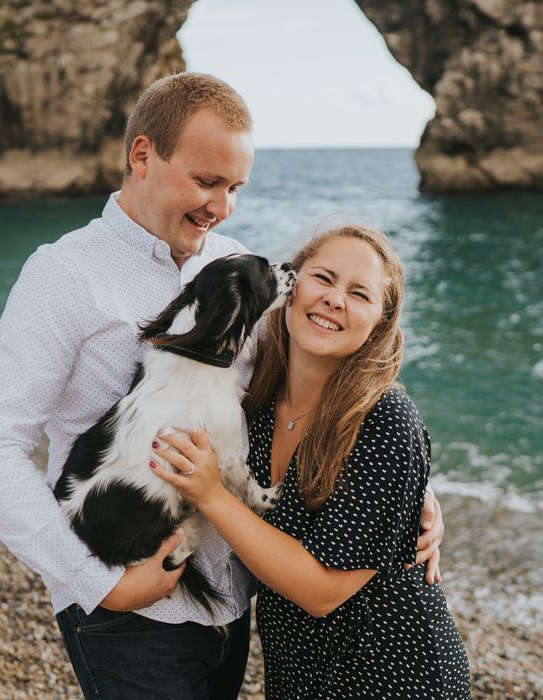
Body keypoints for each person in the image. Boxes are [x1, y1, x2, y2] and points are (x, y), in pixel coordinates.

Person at [0, 72, 445, 700]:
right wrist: (99, 585)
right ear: (143, 155)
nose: (222, 206)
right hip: (132, 613)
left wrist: (408, 494)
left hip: (235, 605)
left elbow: (311, 391)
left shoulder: (232, 264)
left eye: (235, 187)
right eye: (207, 182)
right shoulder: (62, 276)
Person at [152, 225, 470, 698]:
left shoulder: (384, 418)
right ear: (290, 285)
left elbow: (321, 591)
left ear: (380, 323)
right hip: (299, 670)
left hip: (396, 673)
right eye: (323, 277)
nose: (335, 299)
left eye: (359, 293)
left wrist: (212, 495)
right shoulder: (255, 402)